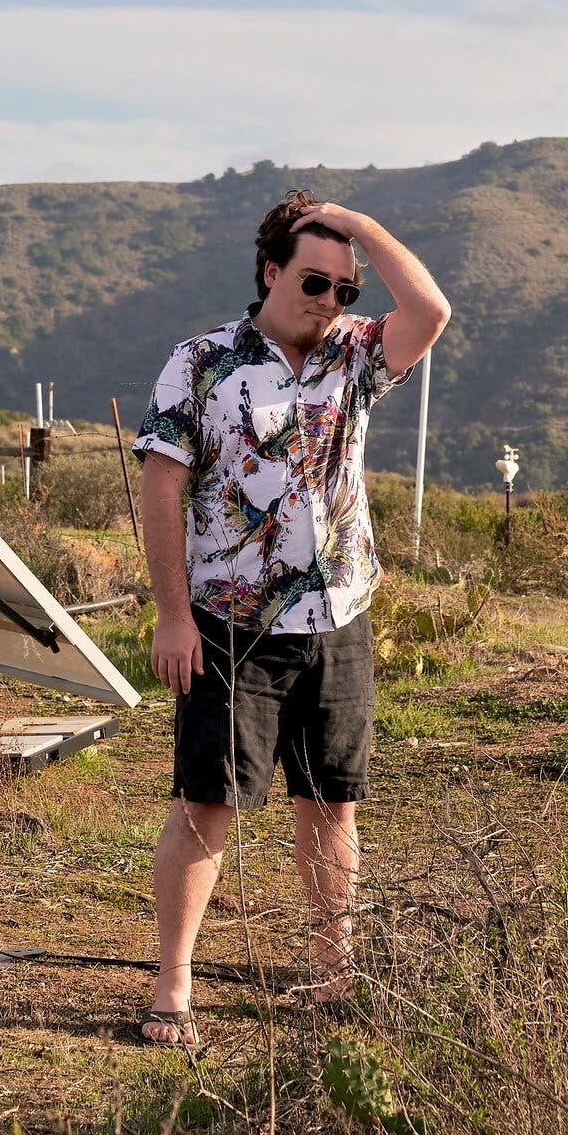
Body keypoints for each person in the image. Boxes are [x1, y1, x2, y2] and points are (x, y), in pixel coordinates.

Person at [130, 188, 451, 1048]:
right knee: (208, 806)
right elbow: (161, 484)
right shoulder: (202, 362)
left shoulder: (357, 357)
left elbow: (432, 309)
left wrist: (363, 230)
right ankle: (173, 987)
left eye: (344, 288)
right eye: (315, 281)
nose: (330, 302)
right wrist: (172, 616)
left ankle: (332, 969)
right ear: (271, 272)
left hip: (337, 615)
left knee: (333, 804)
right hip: (230, 622)